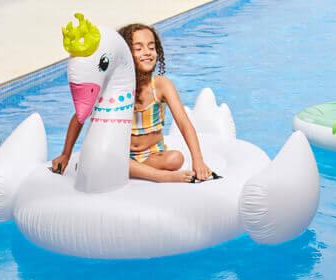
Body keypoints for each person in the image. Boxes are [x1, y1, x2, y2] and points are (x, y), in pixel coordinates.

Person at [51, 23, 214, 183]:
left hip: (151, 155)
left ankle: (132, 170)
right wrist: (65, 154)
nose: (147, 53)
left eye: (151, 47)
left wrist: (198, 160)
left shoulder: (160, 85)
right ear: (125, 55)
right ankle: (159, 176)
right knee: (105, 157)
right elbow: (79, 118)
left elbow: (184, 123)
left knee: (176, 159)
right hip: (120, 153)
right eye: (139, 49)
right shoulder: (111, 88)